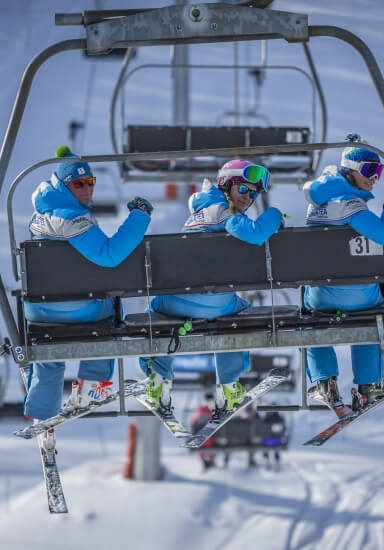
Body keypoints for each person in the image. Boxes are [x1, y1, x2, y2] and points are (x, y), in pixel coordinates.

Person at [23, 145, 153, 449]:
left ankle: (43, 414)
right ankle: (93, 384)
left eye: (90, 183)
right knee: (108, 315)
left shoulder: (42, 215)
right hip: (81, 311)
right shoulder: (71, 219)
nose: (86, 189)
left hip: (40, 312)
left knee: (47, 350)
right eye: (78, 184)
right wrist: (139, 216)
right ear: (64, 186)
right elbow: (110, 256)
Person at [139, 159, 282, 419]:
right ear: (226, 186)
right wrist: (275, 215)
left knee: (154, 310)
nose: (249, 198)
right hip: (217, 306)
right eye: (244, 190)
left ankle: (158, 377)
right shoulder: (222, 213)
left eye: (254, 194)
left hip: (176, 303)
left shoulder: (201, 213)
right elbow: (256, 234)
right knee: (239, 314)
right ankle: (228, 384)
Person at [303, 134, 384, 411]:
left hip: (320, 299)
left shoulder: (316, 206)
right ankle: (369, 385)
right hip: (358, 298)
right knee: (371, 317)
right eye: (370, 171)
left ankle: (324, 381)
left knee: (309, 317)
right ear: (350, 170)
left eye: (379, 171)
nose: (375, 178)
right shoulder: (351, 207)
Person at [190, 392, 216, 472]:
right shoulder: (211, 413)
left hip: (202, 440)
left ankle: (206, 462)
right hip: (211, 440)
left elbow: (192, 423)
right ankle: (210, 461)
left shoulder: (198, 413)